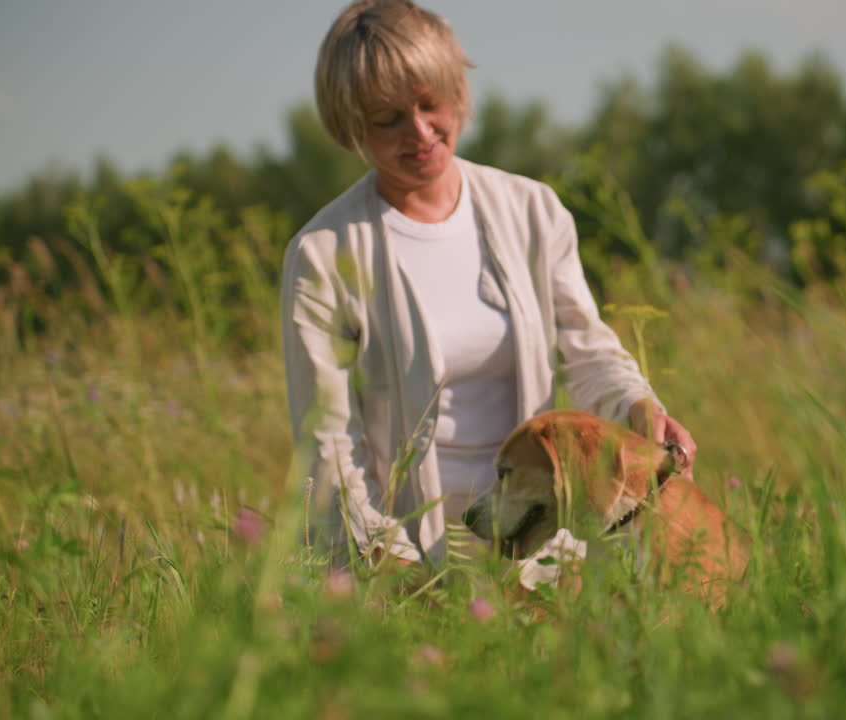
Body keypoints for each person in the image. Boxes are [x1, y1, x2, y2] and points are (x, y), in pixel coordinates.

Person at [281, 0, 695, 571]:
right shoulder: (323, 254)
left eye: (431, 103)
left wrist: (638, 407)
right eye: (388, 119)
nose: (420, 132)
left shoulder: (531, 211)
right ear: (350, 126)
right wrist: (394, 566)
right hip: (398, 558)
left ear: (458, 90)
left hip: (536, 549)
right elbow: (329, 442)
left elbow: (588, 350)